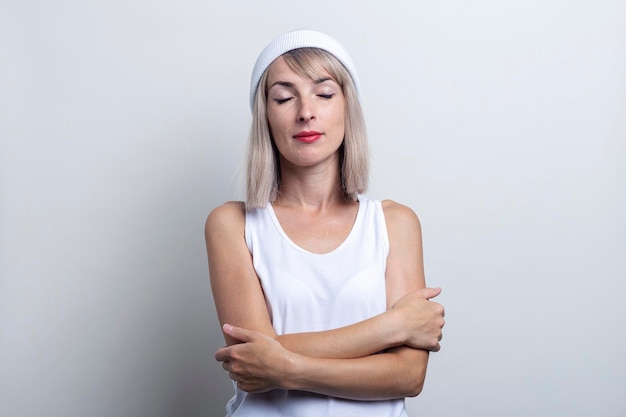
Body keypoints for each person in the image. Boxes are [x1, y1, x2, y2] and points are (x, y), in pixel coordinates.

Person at [205, 29, 445, 416]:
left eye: (325, 93)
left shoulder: (395, 223)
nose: (305, 111)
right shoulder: (232, 224)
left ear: (348, 106)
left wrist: (283, 365)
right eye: (284, 97)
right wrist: (392, 327)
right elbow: (248, 358)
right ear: (265, 115)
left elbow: (408, 376)